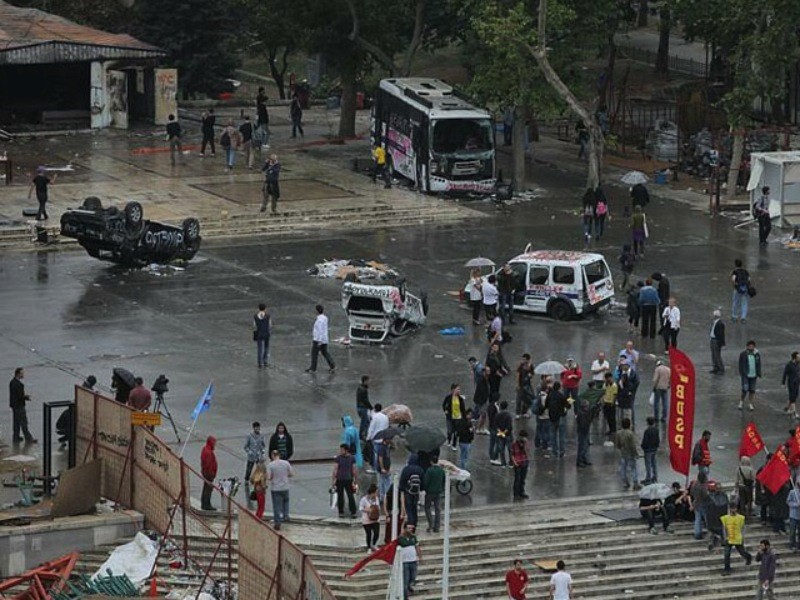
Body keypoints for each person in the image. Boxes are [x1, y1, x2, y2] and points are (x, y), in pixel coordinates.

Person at [721, 504, 753, 574]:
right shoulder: (725, 518)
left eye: (734, 508)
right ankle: (727, 569)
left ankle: (748, 557)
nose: (733, 510)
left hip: (737, 538)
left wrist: (743, 537)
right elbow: (724, 528)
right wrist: (725, 537)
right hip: (729, 538)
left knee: (742, 552)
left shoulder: (741, 518)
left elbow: (743, 528)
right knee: (726, 554)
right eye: (732, 509)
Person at [266, 448, 293, 530]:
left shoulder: (271, 465)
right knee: (286, 502)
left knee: (277, 506)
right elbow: (291, 474)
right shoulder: (286, 463)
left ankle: (277, 523)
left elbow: (269, 477)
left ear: (272, 456)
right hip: (285, 487)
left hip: (276, 488)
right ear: (279, 455)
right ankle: (286, 515)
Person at [9, 367, 36, 443]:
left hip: (14, 406)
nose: (23, 375)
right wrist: (26, 397)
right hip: (19, 406)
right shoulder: (19, 385)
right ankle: (29, 438)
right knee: (24, 422)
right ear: (18, 374)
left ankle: (16, 437)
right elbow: (20, 396)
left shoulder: (12, 382)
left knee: (16, 422)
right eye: (22, 373)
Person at [306, 304, 335, 373]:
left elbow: (320, 331)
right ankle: (332, 365)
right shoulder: (324, 318)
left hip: (318, 340)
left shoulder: (319, 320)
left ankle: (313, 368)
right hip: (324, 339)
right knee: (325, 352)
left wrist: (319, 341)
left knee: (314, 354)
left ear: (317, 311)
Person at [331, 443, 357, 518]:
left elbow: (354, 470)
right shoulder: (351, 458)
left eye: (342, 450)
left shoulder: (339, 458)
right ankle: (351, 512)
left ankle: (342, 512)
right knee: (344, 496)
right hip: (344, 479)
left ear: (346, 450)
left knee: (347, 496)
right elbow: (353, 469)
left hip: (345, 479)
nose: (340, 451)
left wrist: (333, 480)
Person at [615, 417, 640, 490]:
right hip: (630, 454)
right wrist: (636, 453)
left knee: (623, 469)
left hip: (623, 453)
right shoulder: (630, 433)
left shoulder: (618, 433)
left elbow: (617, 444)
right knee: (633, 468)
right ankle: (635, 483)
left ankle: (625, 482)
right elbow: (632, 445)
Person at [546, 382, 569, 458]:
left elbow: (546, 405)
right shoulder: (561, 396)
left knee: (553, 435)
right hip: (560, 417)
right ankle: (562, 452)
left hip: (552, 417)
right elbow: (568, 405)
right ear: (559, 387)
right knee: (561, 436)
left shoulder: (549, 395)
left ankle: (554, 452)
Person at [399, 454, 424, 525]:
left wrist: (402, 489)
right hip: (416, 492)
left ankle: (410, 522)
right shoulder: (420, 469)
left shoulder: (406, 469)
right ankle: (415, 522)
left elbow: (402, 481)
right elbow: (423, 482)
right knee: (414, 507)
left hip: (408, 491)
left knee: (408, 507)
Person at [422, 459, 445, 533]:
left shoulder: (429, 470)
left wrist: (425, 489)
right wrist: (441, 488)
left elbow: (426, 481)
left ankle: (430, 524)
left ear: (431, 461)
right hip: (438, 492)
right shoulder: (441, 470)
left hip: (429, 492)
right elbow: (443, 481)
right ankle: (437, 527)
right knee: (437, 509)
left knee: (427, 507)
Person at [398, 523, 420, 599]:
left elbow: (417, 547)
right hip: (405, 562)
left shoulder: (413, 537)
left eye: (411, 528)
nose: (410, 530)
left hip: (413, 561)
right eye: (408, 528)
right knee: (405, 580)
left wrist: (419, 557)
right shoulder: (400, 538)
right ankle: (405, 597)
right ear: (404, 529)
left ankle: (409, 586)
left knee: (413, 577)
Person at [738, 340, 761, 411]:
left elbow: (758, 364)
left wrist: (758, 373)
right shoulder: (743, 354)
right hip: (746, 375)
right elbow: (740, 364)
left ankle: (750, 403)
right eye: (750, 346)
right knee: (745, 389)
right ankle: (741, 402)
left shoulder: (756, 354)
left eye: (752, 346)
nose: (751, 347)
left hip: (753, 375)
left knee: (752, 390)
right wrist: (742, 373)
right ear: (747, 346)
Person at [442, 383, 466, 451]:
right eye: (457, 389)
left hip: (458, 417)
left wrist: (464, 417)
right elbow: (444, 405)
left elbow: (463, 408)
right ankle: (449, 440)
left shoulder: (460, 398)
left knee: (456, 432)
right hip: (450, 417)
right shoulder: (448, 397)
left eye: (459, 389)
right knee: (450, 431)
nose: (459, 390)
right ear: (453, 390)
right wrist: (445, 411)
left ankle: (454, 445)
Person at [367, 402, 389, 471]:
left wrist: (368, 437)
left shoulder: (375, 417)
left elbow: (371, 428)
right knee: (383, 455)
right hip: (384, 438)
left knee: (376, 455)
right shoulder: (385, 417)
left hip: (376, 439)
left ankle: (375, 468)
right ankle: (384, 467)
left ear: (375, 409)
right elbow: (387, 427)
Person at [359, 483, 381, 551]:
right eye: (375, 493)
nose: (376, 494)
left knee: (376, 533)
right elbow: (360, 508)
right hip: (367, 520)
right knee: (369, 534)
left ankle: (374, 544)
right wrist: (368, 510)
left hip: (375, 518)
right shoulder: (364, 499)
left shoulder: (376, 499)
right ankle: (369, 547)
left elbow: (378, 506)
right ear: (372, 493)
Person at [492, 400, 513, 466]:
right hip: (508, 434)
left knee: (501, 449)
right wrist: (505, 432)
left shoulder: (497, 415)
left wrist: (500, 432)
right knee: (510, 449)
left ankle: (503, 463)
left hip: (500, 434)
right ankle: (511, 463)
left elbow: (495, 425)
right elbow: (509, 426)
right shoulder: (508, 415)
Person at [690, 471, 710, 539]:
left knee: (697, 520)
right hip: (703, 504)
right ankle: (710, 532)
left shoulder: (694, 484)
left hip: (696, 503)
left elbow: (691, 493)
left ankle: (697, 533)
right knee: (707, 519)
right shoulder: (703, 485)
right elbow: (705, 495)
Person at [511, 429, 530, 499]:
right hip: (517, 463)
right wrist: (514, 462)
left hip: (524, 461)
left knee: (522, 479)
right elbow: (512, 454)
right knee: (517, 479)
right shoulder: (515, 444)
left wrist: (525, 445)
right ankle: (516, 493)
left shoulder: (526, 443)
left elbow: (526, 452)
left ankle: (521, 492)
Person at [200, 436, 218, 511]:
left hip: (206, 473)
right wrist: (211, 474)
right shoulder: (209, 452)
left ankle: (204, 503)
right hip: (209, 474)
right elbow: (209, 464)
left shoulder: (205, 449)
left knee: (206, 488)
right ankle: (207, 504)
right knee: (208, 489)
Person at [641, 416, 660, 484]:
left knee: (648, 464)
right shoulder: (656, 430)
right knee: (654, 463)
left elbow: (645, 441)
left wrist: (643, 447)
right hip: (654, 449)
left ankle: (648, 478)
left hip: (648, 450)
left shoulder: (647, 431)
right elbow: (658, 439)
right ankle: (655, 476)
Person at [515, 353, 534, 418]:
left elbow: (532, 373)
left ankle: (524, 411)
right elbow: (517, 375)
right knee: (519, 399)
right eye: (523, 359)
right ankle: (517, 413)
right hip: (521, 385)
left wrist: (530, 375)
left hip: (527, 385)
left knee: (527, 399)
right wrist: (518, 384)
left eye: (525, 359)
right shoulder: (520, 366)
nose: (523, 360)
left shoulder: (530, 366)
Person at [782, 351, 800, 419]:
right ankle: (794, 412)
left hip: (797, 383)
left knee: (795, 396)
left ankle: (787, 407)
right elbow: (785, 374)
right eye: (798, 357)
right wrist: (783, 383)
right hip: (791, 383)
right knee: (793, 398)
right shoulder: (789, 365)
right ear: (794, 358)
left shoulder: (798, 364)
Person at [253, 303, 271, 368]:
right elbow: (270, 325)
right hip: (266, 333)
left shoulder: (255, 316)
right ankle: (265, 361)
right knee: (266, 347)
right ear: (265, 309)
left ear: (258, 308)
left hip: (259, 333)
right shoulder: (268, 316)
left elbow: (254, 325)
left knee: (260, 348)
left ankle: (260, 363)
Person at [602, 372, 618, 441]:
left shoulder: (614, 385)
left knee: (612, 417)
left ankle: (613, 430)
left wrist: (613, 403)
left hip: (611, 403)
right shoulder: (605, 385)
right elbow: (603, 392)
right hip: (606, 402)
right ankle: (610, 429)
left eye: (608, 378)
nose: (607, 380)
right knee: (608, 417)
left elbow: (615, 395)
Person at [356, 375, 372, 441]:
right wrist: (371, 407)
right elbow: (365, 400)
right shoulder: (363, 390)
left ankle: (365, 434)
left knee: (367, 422)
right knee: (364, 422)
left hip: (359, 407)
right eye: (368, 381)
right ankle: (362, 435)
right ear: (365, 381)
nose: (369, 382)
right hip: (363, 408)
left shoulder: (360, 388)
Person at [709, 309, 726, 374]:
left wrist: (721, 343)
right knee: (713, 355)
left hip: (716, 341)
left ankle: (720, 368)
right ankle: (715, 367)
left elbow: (721, 334)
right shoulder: (715, 322)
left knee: (717, 355)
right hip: (713, 339)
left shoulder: (720, 323)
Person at [377, 434, 393, 500]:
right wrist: (382, 468)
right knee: (383, 483)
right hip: (383, 469)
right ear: (386, 439)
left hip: (387, 468)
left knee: (385, 482)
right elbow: (380, 458)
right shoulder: (382, 448)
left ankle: (384, 497)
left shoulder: (387, 446)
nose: (390, 440)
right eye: (389, 439)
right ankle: (383, 497)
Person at [787, 478, 800, 551]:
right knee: (792, 531)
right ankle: (792, 544)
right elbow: (788, 502)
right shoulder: (792, 492)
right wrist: (795, 504)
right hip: (793, 515)